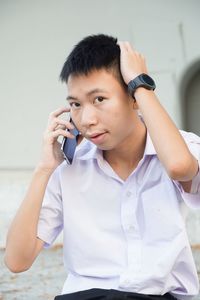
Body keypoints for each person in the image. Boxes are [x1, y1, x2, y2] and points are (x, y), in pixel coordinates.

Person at [4, 34, 200, 300]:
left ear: (133, 98)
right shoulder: (68, 167)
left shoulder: (178, 147)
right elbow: (17, 261)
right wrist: (43, 169)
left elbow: (179, 167)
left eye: (99, 100)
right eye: (75, 104)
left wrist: (141, 85)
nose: (86, 119)